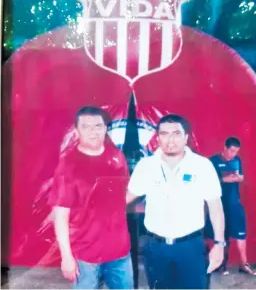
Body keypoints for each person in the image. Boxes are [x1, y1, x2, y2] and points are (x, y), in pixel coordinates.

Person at [126, 114, 226, 289]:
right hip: (155, 247)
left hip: (191, 247)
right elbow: (125, 198)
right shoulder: (146, 166)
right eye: (164, 134)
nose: (170, 139)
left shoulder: (202, 166)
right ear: (157, 137)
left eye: (176, 133)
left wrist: (219, 244)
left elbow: (216, 208)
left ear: (186, 137)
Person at [48, 106, 134, 289]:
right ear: (77, 130)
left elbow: (122, 198)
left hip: (120, 253)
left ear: (105, 128)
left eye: (98, 126)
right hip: (85, 256)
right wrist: (66, 257)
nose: (93, 132)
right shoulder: (68, 166)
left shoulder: (117, 157)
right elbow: (60, 216)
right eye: (86, 127)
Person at [205, 137, 256, 276]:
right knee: (222, 236)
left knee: (241, 233)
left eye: (236, 151)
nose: (233, 154)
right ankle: (221, 265)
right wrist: (224, 180)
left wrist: (239, 178)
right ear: (225, 148)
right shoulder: (213, 161)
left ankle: (244, 265)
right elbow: (209, 182)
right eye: (232, 151)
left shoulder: (237, 160)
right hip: (220, 205)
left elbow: (241, 176)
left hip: (235, 204)